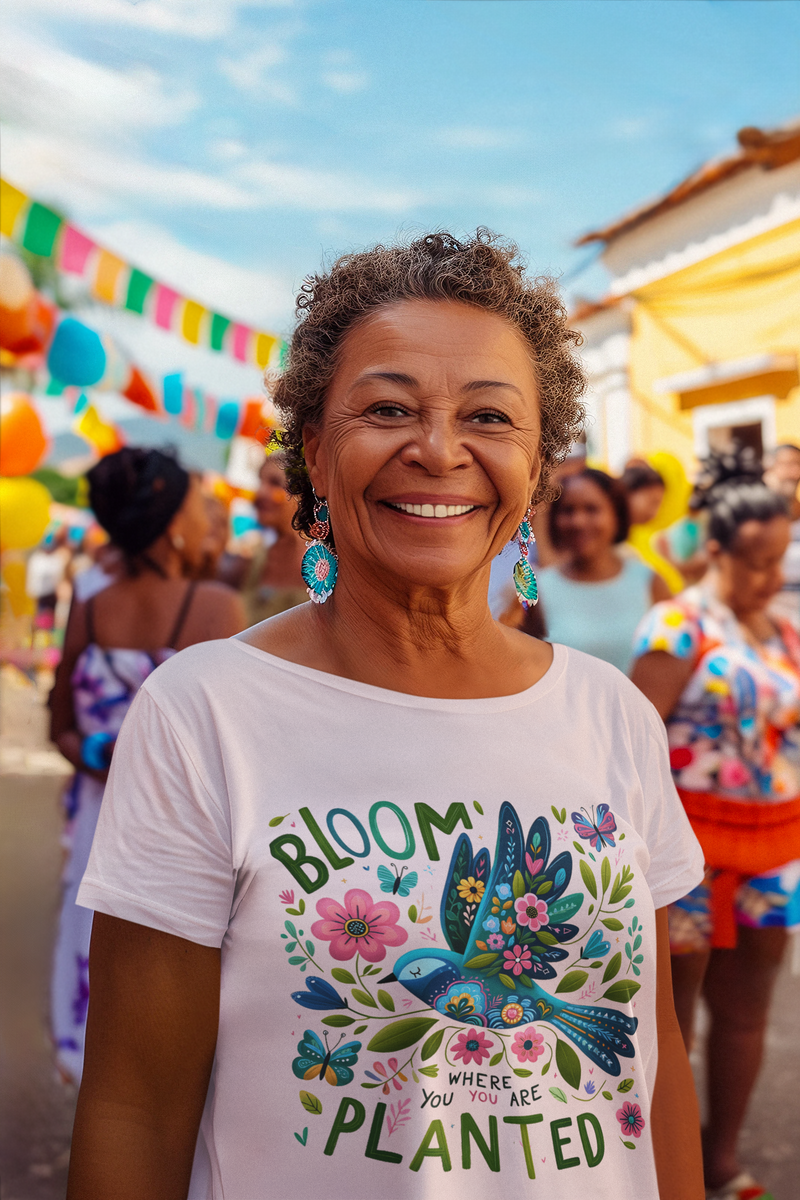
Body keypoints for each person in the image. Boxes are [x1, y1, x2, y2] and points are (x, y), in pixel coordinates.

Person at [68, 232, 704, 1200]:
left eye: (488, 415)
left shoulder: (609, 714)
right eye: (388, 408)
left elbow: (652, 1072)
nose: (439, 448)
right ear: (315, 455)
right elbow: (135, 1111)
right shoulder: (204, 715)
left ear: (535, 469)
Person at [630, 449, 799, 1200]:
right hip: (686, 859)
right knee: (672, 1019)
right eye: (758, 563)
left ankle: (721, 1157)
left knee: (745, 1010)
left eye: (779, 561)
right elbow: (632, 745)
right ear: (719, 551)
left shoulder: (783, 636)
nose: (770, 577)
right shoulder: (674, 626)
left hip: (773, 852)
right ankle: (670, 1169)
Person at [48, 447, 245, 1085]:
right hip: (174, 832)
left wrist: (103, 755)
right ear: (170, 521)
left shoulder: (92, 601)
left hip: (94, 824)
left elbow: (60, 724)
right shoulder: (215, 608)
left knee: (96, 963)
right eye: (194, 503)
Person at [536, 468, 671, 674]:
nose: (578, 522)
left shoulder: (648, 582)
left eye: (592, 510)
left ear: (616, 515)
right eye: (568, 510)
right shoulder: (536, 591)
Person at [238, 453, 308, 623]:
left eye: (275, 483)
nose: (260, 493)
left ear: (302, 495)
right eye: (260, 482)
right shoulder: (259, 558)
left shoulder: (320, 566)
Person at [764, 442, 800, 629]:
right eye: (786, 465)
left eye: (798, 465)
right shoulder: (759, 520)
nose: (794, 473)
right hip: (774, 622)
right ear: (770, 469)